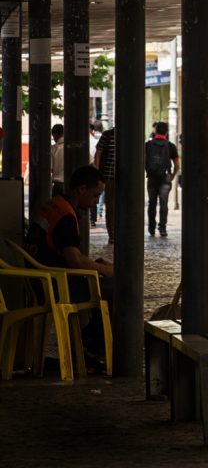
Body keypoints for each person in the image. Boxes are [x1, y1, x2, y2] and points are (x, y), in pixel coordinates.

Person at [25, 165, 114, 360]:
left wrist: (93, 264)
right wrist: (104, 269)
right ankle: (94, 348)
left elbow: (64, 253)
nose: (95, 202)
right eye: (95, 195)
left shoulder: (54, 204)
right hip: (55, 286)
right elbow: (74, 261)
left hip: (39, 280)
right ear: (81, 189)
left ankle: (91, 344)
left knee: (103, 283)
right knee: (115, 289)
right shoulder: (66, 216)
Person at [144, 121, 179, 238]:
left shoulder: (148, 145)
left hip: (152, 178)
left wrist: (147, 171)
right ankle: (162, 228)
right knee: (164, 204)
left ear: (155, 131)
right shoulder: (170, 146)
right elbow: (177, 164)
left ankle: (151, 228)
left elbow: (144, 160)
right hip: (165, 178)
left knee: (151, 203)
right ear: (167, 132)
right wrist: (173, 175)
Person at [93, 125, 116, 244]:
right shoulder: (107, 135)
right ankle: (112, 234)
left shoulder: (132, 134)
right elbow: (98, 153)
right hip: (109, 177)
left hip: (127, 179)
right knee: (111, 207)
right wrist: (97, 172)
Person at [88, 121, 103, 227]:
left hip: (82, 172)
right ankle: (93, 218)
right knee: (93, 195)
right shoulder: (94, 142)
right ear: (92, 130)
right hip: (92, 171)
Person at [50, 124, 65, 198]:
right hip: (74, 186)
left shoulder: (53, 149)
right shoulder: (76, 146)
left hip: (58, 186)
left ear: (55, 135)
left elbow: (49, 168)